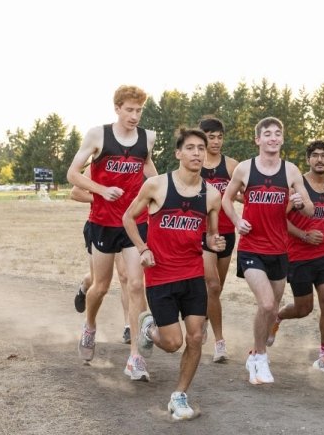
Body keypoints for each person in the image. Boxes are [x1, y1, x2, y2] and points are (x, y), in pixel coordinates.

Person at [123, 128, 226, 421]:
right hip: (161, 277)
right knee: (172, 343)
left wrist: (215, 243)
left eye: (201, 149)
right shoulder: (156, 186)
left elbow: (211, 237)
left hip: (193, 276)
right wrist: (143, 248)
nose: (197, 153)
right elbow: (128, 217)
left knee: (195, 337)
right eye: (190, 148)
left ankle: (179, 396)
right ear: (178, 153)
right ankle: (147, 328)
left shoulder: (212, 195)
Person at [66, 85, 157, 381]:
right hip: (103, 222)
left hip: (134, 221)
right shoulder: (98, 135)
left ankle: (135, 357)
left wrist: (164, 194)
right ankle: (90, 325)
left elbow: (149, 171)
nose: (134, 116)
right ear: (117, 108)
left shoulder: (147, 138)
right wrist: (102, 190)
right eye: (129, 110)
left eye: (138, 110)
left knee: (134, 284)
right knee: (101, 287)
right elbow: (73, 175)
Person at [221, 117, 314, 385]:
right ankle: (260, 357)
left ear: (282, 139)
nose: (273, 138)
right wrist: (238, 221)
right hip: (252, 248)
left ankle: (255, 354)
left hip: (279, 250)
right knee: (266, 303)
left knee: (271, 311)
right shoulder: (244, 169)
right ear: (258, 140)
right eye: (267, 134)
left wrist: (299, 203)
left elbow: (309, 208)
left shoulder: (291, 171)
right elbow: (226, 198)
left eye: (277, 134)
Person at [266, 140, 324, 372]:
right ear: (308, 160)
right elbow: (279, 220)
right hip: (297, 254)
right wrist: (303, 235)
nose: (320, 159)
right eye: (315, 155)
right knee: (304, 308)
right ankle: (277, 317)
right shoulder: (297, 186)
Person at [71, 167, 131, 344]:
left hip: (126, 227)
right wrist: (102, 197)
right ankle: (84, 286)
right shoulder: (97, 164)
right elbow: (75, 193)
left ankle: (128, 326)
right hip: (100, 226)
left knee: (125, 276)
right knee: (99, 280)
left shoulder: (136, 161)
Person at [198, 116, 240, 363]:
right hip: (203, 233)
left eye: (219, 137)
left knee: (217, 288)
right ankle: (220, 342)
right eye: (211, 137)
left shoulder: (232, 165)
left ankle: (203, 317)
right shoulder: (194, 163)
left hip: (226, 232)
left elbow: (243, 193)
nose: (215, 141)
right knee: (212, 285)